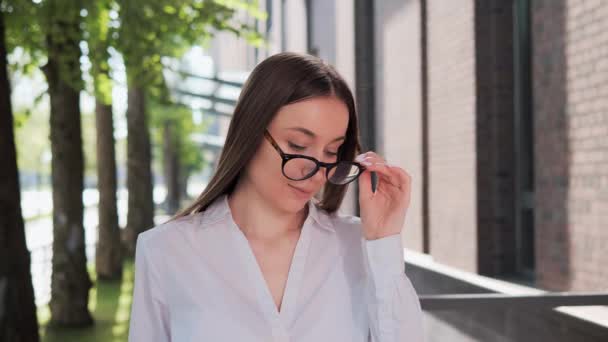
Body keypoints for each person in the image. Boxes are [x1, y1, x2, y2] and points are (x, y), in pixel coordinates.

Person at [128, 52, 425, 342]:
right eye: (297, 145)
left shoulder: (361, 247)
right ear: (251, 130)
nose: (315, 171)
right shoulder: (166, 251)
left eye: (332, 152)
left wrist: (383, 242)